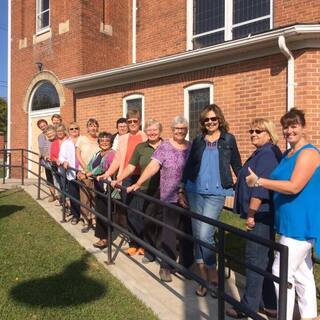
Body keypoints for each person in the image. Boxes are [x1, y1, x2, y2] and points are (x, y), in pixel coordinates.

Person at [246, 108, 320, 320]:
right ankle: (309, 316)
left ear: (303, 127)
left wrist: (259, 181)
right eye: (286, 127)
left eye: (294, 125)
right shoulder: (289, 154)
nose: (289, 131)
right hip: (290, 222)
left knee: (281, 270)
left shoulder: (309, 153)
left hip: (302, 223)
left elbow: (294, 186)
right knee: (302, 273)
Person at [179, 104, 242, 297]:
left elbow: (237, 164)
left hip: (217, 192)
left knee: (206, 233)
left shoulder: (228, 139)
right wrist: (182, 188)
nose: (210, 122)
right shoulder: (198, 140)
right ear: (203, 122)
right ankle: (204, 277)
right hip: (194, 190)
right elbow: (189, 165)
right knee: (199, 234)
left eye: (213, 119)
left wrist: (244, 188)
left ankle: (212, 274)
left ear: (219, 120)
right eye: (207, 120)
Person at [226, 119, 281, 318]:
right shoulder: (264, 152)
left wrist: (251, 215)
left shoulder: (266, 155)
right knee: (264, 260)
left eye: (259, 131)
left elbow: (261, 189)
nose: (253, 134)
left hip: (260, 215)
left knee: (254, 261)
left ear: (269, 133)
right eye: (251, 131)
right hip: (263, 215)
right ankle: (271, 305)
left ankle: (247, 307)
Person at [128, 116, 193, 282]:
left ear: (186, 130)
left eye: (183, 128)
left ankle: (186, 265)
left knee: (187, 232)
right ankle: (166, 266)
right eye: (177, 128)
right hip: (169, 196)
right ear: (172, 129)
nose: (180, 131)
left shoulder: (191, 147)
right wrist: (138, 182)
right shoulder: (164, 147)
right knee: (169, 232)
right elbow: (153, 166)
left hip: (188, 196)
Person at [112, 119, 162, 259]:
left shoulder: (165, 146)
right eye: (149, 130)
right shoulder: (140, 147)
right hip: (143, 187)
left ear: (160, 131)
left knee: (154, 220)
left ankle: (152, 249)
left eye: (155, 130)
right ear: (146, 132)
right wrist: (118, 178)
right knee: (137, 215)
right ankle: (139, 245)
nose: (152, 133)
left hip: (160, 189)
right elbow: (131, 166)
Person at [98, 110, 147, 244]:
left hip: (142, 178)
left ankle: (144, 244)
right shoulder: (123, 138)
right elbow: (118, 159)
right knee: (130, 210)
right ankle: (134, 242)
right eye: (129, 121)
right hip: (126, 178)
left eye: (135, 121)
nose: (132, 124)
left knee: (142, 211)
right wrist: (107, 174)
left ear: (140, 121)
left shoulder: (145, 136)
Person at [82, 132, 115, 249]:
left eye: (107, 140)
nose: (104, 142)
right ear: (99, 143)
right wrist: (84, 171)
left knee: (105, 211)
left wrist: (88, 174)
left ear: (111, 142)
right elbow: (90, 165)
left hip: (107, 187)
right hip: (98, 186)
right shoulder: (97, 153)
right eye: (102, 140)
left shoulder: (112, 153)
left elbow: (103, 167)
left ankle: (105, 238)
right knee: (100, 210)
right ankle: (102, 236)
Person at [76, 118, 100, 233]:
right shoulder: (82, 139)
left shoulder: (99, 140)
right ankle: (86, 220)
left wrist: (94, 171)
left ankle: (94, 219)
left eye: (95, 126)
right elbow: (78, 154)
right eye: (91, 126)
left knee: (95, 197)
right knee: (85, 198)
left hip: (96, 174)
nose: (93, 128)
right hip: (84, 172)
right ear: (87, 128)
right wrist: (85, 168)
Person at [59, 123, 81, 225]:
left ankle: (87, 217)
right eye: (71, 129)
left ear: (79, 129)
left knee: (86, 196)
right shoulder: (65, 143)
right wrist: (64, 161)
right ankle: (76, 216)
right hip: (72, 173)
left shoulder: (83, 140)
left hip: (83, 173)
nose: (74, 130)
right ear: (68, 131)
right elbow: (61, 156)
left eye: (76, 128)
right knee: (74, 196)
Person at [37, 119, 56, 202]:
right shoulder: (40, 136)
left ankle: (60, 197)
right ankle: (52, 195)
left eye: (44, 125)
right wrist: (41, 154)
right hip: (45, 161)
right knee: (49, 179)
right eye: (41, 126)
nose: (43, 127)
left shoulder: (52, 133)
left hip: (53, 160)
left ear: (47, 124)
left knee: (56, 178)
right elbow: (41, 147)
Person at [50, 124, 68, 206]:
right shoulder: (54, 142)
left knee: (67, 186)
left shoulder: (69, 141)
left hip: (67, 167)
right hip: (56, 166)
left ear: (64, 131)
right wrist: (56, 160)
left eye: (61, 131)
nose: (60, 133)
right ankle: (63, 201)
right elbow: (52, 156)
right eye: (58, 131)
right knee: (61, 185)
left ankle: (67, 203)